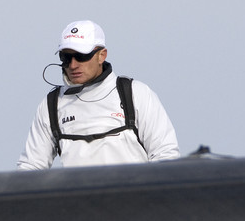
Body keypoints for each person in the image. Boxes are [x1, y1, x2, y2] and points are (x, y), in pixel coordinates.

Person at [17, 20, 179, 169]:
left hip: (133, 199)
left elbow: (165, 155)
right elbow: (30, 167)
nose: (73, 65)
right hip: (78, 201)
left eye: (81, 56)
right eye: (66, 57)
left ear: (102, 55)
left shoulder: (136, 94)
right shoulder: (51, 105)